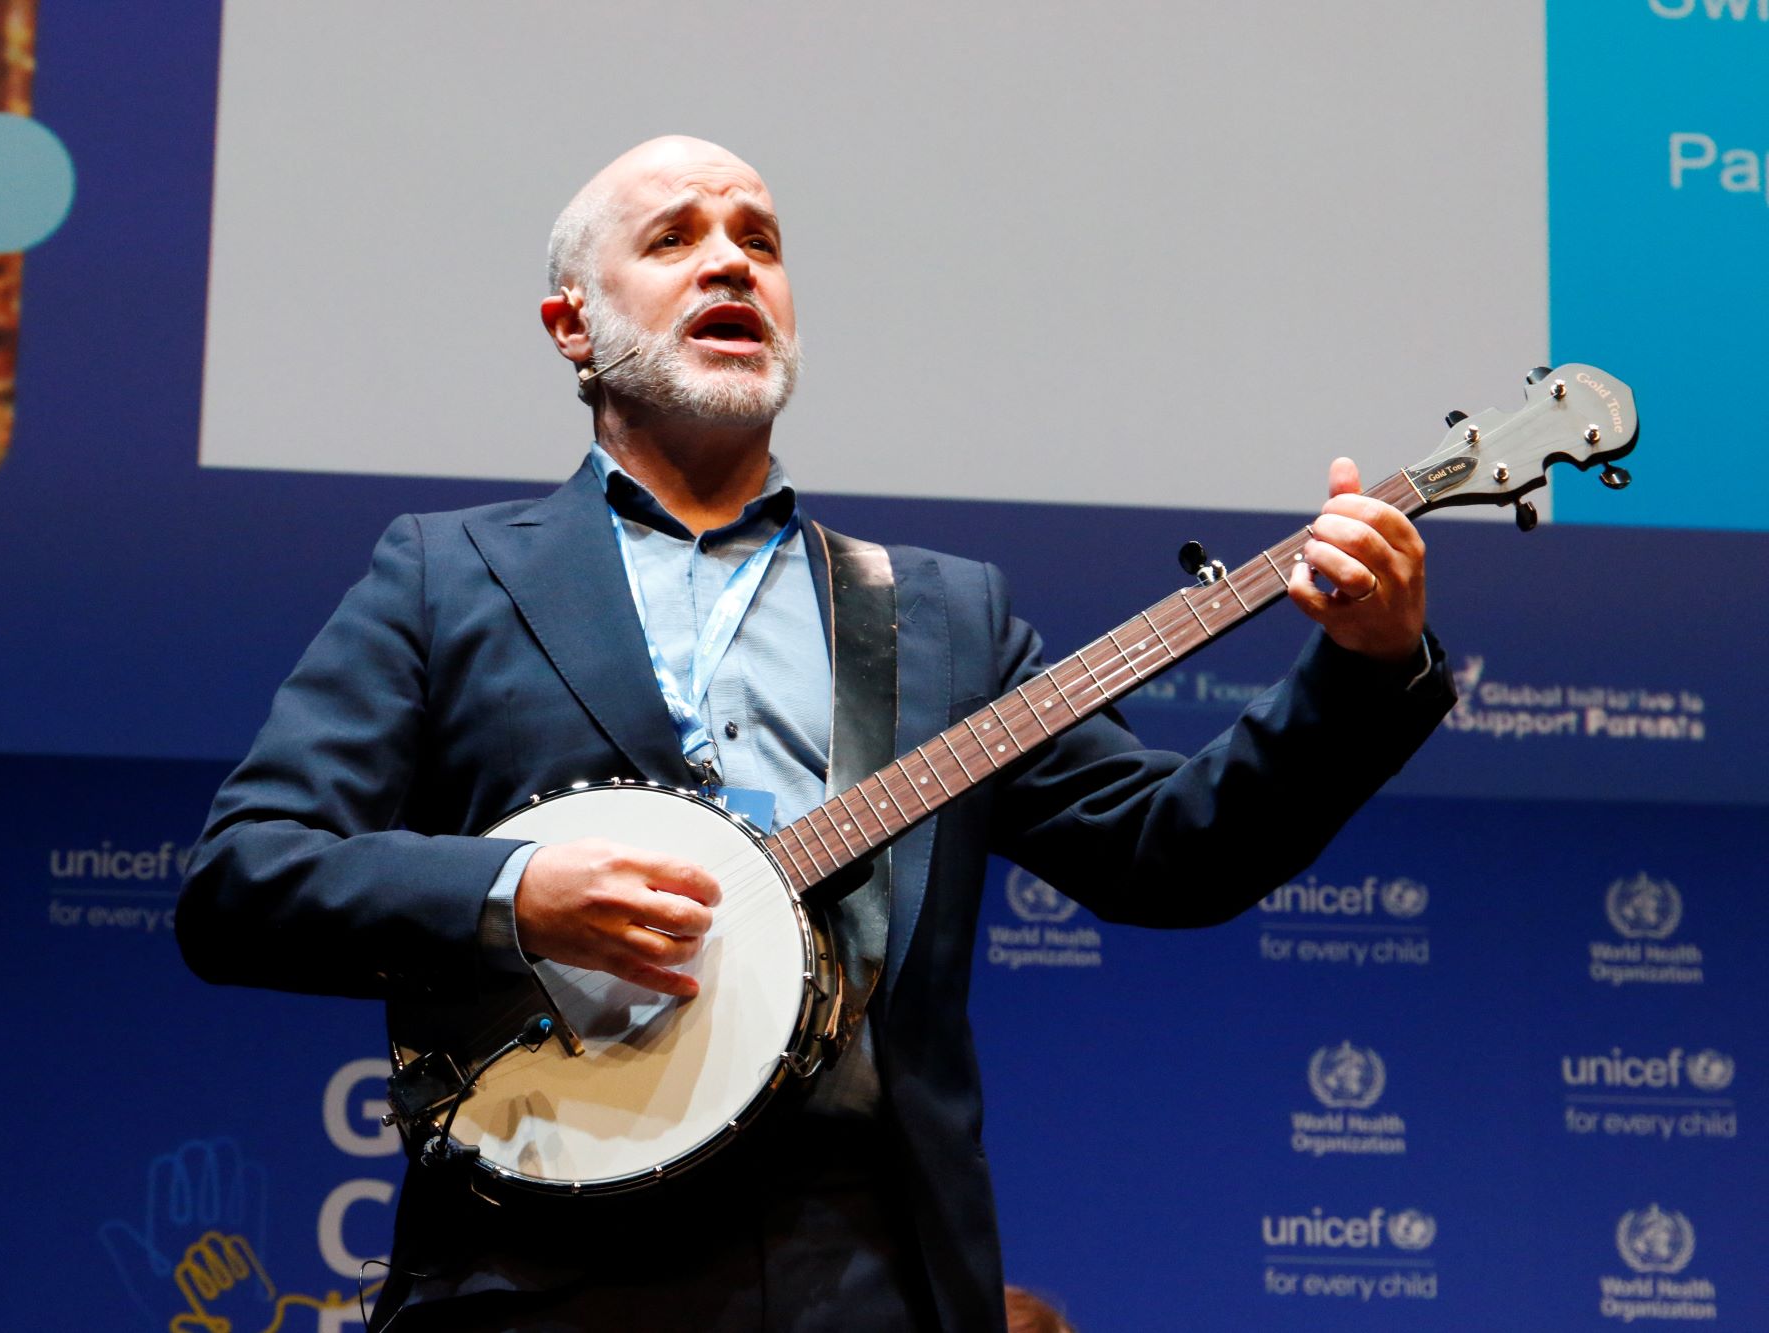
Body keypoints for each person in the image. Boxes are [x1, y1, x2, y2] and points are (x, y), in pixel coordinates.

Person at [176, 135, 1456, 1331]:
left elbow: (1170, 852)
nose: (731, 261)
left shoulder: (942, 616)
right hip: (530, 1270)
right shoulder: (442, 575)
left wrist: (1365, 667)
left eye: (760, 240)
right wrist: (517, 895)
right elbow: (246, 878)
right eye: (673, 238)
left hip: (865, 1266)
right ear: (572, 325)